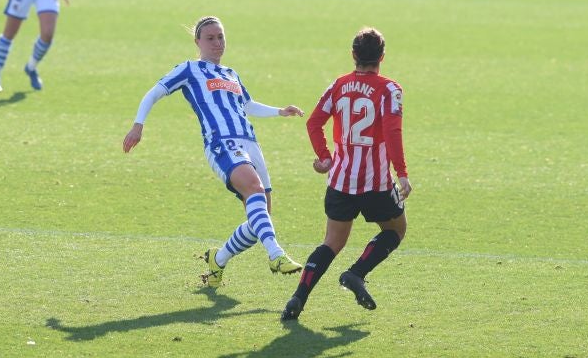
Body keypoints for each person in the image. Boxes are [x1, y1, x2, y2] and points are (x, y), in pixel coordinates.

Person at [123, 16, 305, 287]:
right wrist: (138, 124)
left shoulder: (231, 74)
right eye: (210, 38)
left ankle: (217, 260)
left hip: (251, 143)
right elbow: (153, 93)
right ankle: (275, 254)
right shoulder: (190, 69)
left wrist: (279, 111)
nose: (217, 43)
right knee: (254, 190)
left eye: (220, 37)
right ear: (197, 42)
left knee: (259, 220)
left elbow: (247, 104)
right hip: (221, 142)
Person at [281, 27, 413, 321]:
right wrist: (401, 173)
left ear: (354, 55)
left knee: (331, 243)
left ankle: (297, 299)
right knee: (395, 231)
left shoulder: (338, 85)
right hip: (375, 182)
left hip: (340, 181)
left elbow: (313, 123)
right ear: (382, 56)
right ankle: (356, 273)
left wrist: (325, 158)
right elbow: (393, 132)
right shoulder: (390, 89)